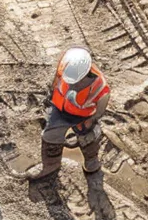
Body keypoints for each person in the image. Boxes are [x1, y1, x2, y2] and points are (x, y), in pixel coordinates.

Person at [27, 47, 109, 180]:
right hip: (59, 109)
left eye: (76, 82)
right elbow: (57, 78)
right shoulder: (66, 63)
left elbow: (100, 110)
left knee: (88, 137)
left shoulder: (100, 87)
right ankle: (51, 164)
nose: (72, 85)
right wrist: (51, 93)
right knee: (50, 136)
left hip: (83, 116)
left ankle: (91, 162)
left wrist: (91, 120)